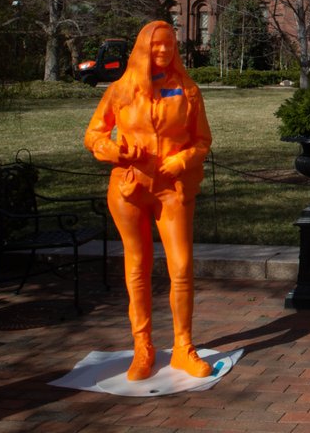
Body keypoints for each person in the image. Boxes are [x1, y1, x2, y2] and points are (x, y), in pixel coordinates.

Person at [83, 21, 213, 381]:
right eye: (157, 47)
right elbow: (94, 134)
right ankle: (143, 347)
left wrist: (182, 160)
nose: (164, 52)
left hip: (173, 188)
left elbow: (203, 141)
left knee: (182, 267)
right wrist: (110, 149)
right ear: (143, 49)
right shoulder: (121, 90)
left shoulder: (187, 91)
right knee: (137, 267)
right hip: (129, 187)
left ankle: (184, 347)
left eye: (170, 46)